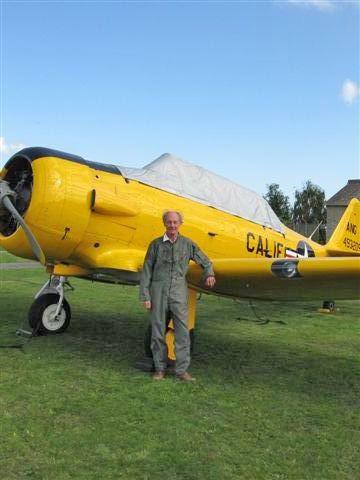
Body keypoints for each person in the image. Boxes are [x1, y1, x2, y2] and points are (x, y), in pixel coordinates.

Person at [139, 211, 216, 382]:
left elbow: (206, 261)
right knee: (157, 332)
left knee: (182, 332)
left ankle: (182, 371)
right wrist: (145, 295)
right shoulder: (155, 245)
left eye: (175, 222)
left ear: (180, 223)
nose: (172, 225)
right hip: (158, 292)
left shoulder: (188, 244)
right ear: (164, 224)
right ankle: (160, 369)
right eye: (169, 222)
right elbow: (146, 271)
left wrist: (209, 273)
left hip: (179, 293)